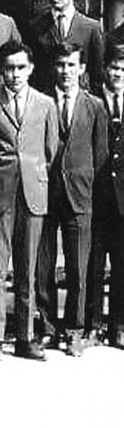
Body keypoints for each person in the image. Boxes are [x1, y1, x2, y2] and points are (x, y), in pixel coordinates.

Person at [0, 39, 58, 361]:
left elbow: (50, 150)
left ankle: (25, 336)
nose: (15, 75)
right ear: (0, 71)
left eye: (20, 68)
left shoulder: (45, 104)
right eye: (9, 69)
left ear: (30, 69)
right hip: (1, 191)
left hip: (33, 190)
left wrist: (35, 174)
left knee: (28, 268)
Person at [35, 42, 107, 356]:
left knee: (79, 267)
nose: (66, 71)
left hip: (80, 195)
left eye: (72, 65)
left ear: (82, 69)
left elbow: (101, 154)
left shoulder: (95, 106)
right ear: (55, 67)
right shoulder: (41, 101)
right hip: (45, 193)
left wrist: (89, 186)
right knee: (44, 267)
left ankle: (75, 329)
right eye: (61, 64)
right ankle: (48, 327)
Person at [89, 43, 124, 348]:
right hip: (96, 194)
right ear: (105, 69)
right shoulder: (92, 101)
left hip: (123, 197)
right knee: (94, 263)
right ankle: (92, 324)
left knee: (122, 263)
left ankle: (119, 325)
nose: (118, 74)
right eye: (114, 68)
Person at [27, 0, 104, 95]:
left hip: (79, 103)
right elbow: (32, 74)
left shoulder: (91, 28)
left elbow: (97, 76)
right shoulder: (34, 27)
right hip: (46, 102)